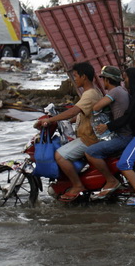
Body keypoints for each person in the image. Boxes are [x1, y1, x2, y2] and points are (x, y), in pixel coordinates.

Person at [35, 62, 102, 202]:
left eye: (76, 76)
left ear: (84, 77)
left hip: (88, 138)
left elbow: (75, 110)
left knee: (59, 156)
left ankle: (78, 185)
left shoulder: (89, 94)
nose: (74, 79)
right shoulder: (93, 92)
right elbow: (82, 114)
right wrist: (68, 121)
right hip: (89, 135)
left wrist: (52, 120)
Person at [95, 67, 135, 208]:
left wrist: (108, 126)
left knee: (123, 164)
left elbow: (127, 117)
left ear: (133, 79)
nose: (124, 81)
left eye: (127, 78)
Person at [84, 66, 132, 200]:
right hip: (126, 134)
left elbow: (96, 107)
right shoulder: (122, 89)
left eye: (104, 79)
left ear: (107, 80)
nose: (103, 82)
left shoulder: (115, 91)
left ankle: (111, 180)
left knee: (90, 152)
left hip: (123, 137)